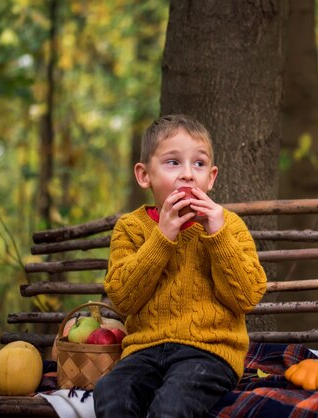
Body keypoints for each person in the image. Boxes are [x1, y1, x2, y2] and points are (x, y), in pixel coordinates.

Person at [94, 114, 267, 417]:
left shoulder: (229, 226)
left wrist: (217, 236)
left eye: (198, 164)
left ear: (211, 177)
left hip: (208, 353)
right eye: (173, 162)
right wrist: (162, 237)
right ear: (144, 175)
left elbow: (247, 296)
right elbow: (122, 298)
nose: (188, 174)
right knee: (111, 393)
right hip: (143, 353)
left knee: (171, 406)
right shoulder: (131, 228)